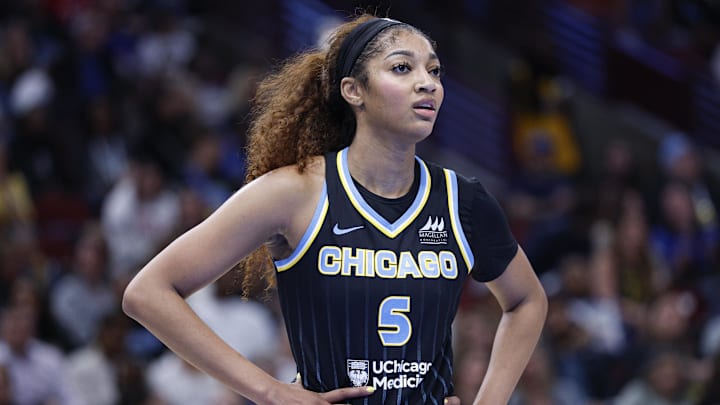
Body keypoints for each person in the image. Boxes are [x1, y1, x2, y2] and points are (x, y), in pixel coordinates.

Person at [122, 13, 547, 405]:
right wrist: (269, 391)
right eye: (403, 68)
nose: (428, 83)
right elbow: (148, 293)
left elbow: (527, 300)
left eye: (433, 70)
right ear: (353, 90)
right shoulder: (295, 192)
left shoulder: (463, 201)